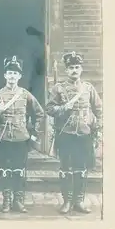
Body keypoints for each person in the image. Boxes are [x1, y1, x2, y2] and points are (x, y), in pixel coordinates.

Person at [46, 51, 103, 214]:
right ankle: (67, 201)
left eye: (77, 67)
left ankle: (79, 201)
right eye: (71, 68)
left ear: (81, 69)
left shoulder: (88, 88)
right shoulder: (59, 88)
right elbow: (49, 108)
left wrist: (98, 127)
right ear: (66, 70)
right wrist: (64, 108)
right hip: (66, 133)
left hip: (84, 133)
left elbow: (99, 109)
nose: (74, 71)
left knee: (81, 168)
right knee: (65, 168)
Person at [0, 55, 45, 213]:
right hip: (3, 137)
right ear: (5, 75)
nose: (12, 76)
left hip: (21, 138)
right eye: (9, 73)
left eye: (15, 73)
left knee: (19, 170)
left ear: (20, 76)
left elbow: (39, 114)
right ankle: (6, 201)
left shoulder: (25, 95)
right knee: (5, 170)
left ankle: (18, 201)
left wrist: (34, 134)